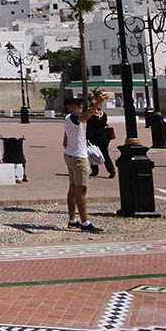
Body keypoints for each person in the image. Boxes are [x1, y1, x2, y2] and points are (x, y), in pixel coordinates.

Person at [63, 94, 104, 233]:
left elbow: (65, 141)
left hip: (70, 154)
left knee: (73, 189)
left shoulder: (67, 119)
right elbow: (86, 117)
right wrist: (98, 103)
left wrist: (77, 143)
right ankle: (85, 222)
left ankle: (72, 219)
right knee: (81, 190)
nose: (80, 106)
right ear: (69, 107)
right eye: (77, 104)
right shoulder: (74, 117)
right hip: (78, 157)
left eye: (81, 104)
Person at [86, 104, 115, 178]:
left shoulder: (91, 115)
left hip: (94, 137)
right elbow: (104, 124)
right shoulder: (103, 114)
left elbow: (89, 127)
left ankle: (95, 171)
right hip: (104, 137)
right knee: (105, 154)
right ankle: (111, 169)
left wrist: (87, 138)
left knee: (93, 154)